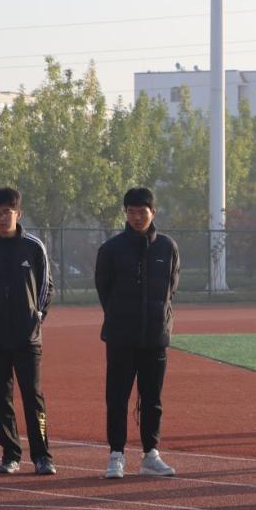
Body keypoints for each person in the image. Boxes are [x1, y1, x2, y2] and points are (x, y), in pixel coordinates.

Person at [95, 187, 180, 479]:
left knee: (152, 399)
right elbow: (104, 289)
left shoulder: (167, 247)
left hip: (155, 337)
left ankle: (150, 455)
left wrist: (158, 319)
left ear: (152, 213)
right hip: (121, 337)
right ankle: (116, 455)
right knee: (117, 398)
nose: (136, 217)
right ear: (125, 213)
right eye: (131, 211)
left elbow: (170, 288)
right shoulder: (111, 249)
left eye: (142, 211)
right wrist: (120, 316)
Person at [0, 187, 56, 476]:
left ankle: (42, 455)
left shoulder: (34, 246)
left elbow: (46, 286)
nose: (2, 217)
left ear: (18, 213)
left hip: (27, 337)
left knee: (33, 396)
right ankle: (10, 454)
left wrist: (36, 316)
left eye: (7, 212)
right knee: (0, 397)